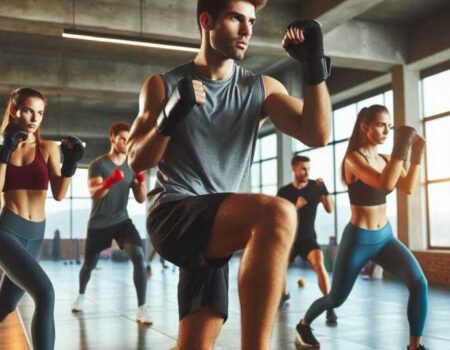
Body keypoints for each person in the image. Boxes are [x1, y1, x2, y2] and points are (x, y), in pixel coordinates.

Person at [126, 0, 332, 348]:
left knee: (194, 344)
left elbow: (317, 134)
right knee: (278, 213)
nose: (248, 30)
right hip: (173, 215)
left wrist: (314, 71)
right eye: (237, 18)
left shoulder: (260, 87)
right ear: (207, 20)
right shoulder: (163, 85)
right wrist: (168, 119)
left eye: (251, 20)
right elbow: (136, 159)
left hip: (217, 228)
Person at [295, 105, 429, 350]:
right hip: (358, 240)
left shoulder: (387, 158)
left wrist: (417, 152)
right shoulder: (353, 159)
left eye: (389, 126)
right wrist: (403, 144)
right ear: (364, 127)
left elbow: (407, 187)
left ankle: (414, 346)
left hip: (385, 236)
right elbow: (384, 182)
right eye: (380, 125)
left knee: (419, 283)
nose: (386, 130)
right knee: (336, 298)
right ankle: (304, 324)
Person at [0, 87, 84, 350]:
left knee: (5, 305)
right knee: (45, 294)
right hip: (7, 230)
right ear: (14, 110)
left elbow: (59, 193)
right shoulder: (3, 146)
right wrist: (5, 150)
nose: (34, 118)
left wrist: (70, 164)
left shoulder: (47, 148)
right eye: (28, 110)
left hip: (35, 233)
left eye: (40, 113)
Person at [71, 121, 151, 325]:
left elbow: (142, 199)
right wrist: (109, 182)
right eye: (122, 139)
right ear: (112, 138)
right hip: (99, 223)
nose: (126, 143)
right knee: (89, 265)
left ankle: (142, 308)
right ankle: (80, 295)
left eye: (128, 139)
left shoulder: (133, 165)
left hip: (121, 220)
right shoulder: (98, 165)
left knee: (139, 255)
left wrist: (140, 180)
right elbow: (94, 193)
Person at [277, 155, 336, 323]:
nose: (306, 172)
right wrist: (294, 207)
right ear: (294, 168)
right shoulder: (284, 192)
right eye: (303, 168)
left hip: (307, 237)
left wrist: (324, 188)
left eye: (308, 169)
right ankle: (284, 293)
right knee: (279, 267)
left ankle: (329, 305)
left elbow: (330, 209)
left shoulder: (315, 187)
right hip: (289, 238)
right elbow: (279, 218)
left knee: (319, 263)